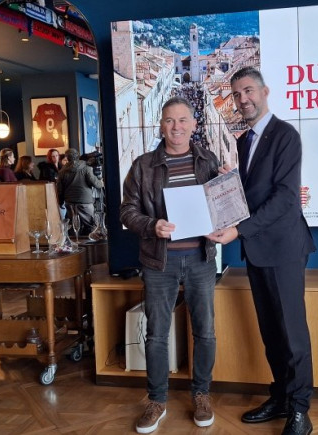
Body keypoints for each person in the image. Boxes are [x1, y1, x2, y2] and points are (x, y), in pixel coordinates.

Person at [207, 67, 316, 435]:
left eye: (249, 91)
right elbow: (251, 195)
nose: (243, 99)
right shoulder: (244, 142)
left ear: (265, 92)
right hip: (257, 250)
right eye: (237, 94)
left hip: (283, 249)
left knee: (292, 335)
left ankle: (300, 410)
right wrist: (229, 182)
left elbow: (285, 199)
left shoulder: (285, 136)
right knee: (271, 332)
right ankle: (282, 396)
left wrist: (238, 230)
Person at [120, 96, 220, 434]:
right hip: (158, 262)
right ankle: (157, 400)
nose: (176, 127)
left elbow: (221, 205)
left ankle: (201, 394)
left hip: (201, 259)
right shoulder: (142, 166)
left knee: (205, 331)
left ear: (194, 124)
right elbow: (127, 211)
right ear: (161, 125)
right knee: (156, 334)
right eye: (169, 120)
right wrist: (152, 226)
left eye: (182, 120)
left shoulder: (209, 161)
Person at [56, 148, 103, 235]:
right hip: (85, 202)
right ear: (78, 155)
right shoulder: (86, 168)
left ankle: (76, 242)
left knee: (74, 228)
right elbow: (96, 184)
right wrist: (101, 182)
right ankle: (92, 243)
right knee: (92, 227)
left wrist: (61, 202)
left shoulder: (62, 171)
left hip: (69, 203)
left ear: (67, 157)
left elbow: (59, 189)